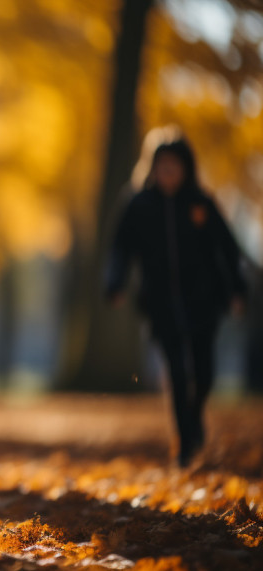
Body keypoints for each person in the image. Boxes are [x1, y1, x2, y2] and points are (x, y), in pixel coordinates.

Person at [105, 127, 245, 468]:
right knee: (178, 374)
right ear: (151, 167)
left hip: (204, 299)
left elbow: (226, 249)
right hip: (160, 302)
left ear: (186, 168)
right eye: (161, 164)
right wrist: (116, 282)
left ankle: (196, 415)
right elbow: (120, 248)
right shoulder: (138, 204)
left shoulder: (201, 203)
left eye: (174, 165)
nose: (167, 172)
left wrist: (237, 290)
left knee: (205, 372)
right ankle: (184, 444)